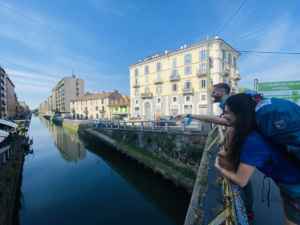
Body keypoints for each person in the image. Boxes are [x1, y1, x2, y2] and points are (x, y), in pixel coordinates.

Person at [215, 93, 300, 225]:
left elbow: (241, 180)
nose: (223, 117)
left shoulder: (252, 141)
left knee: (292, 221)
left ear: (240, 114)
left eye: (226, 113)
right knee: (289, 218)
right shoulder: (256, 132)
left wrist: (219, 167)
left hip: (293, 184)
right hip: (288, 180)